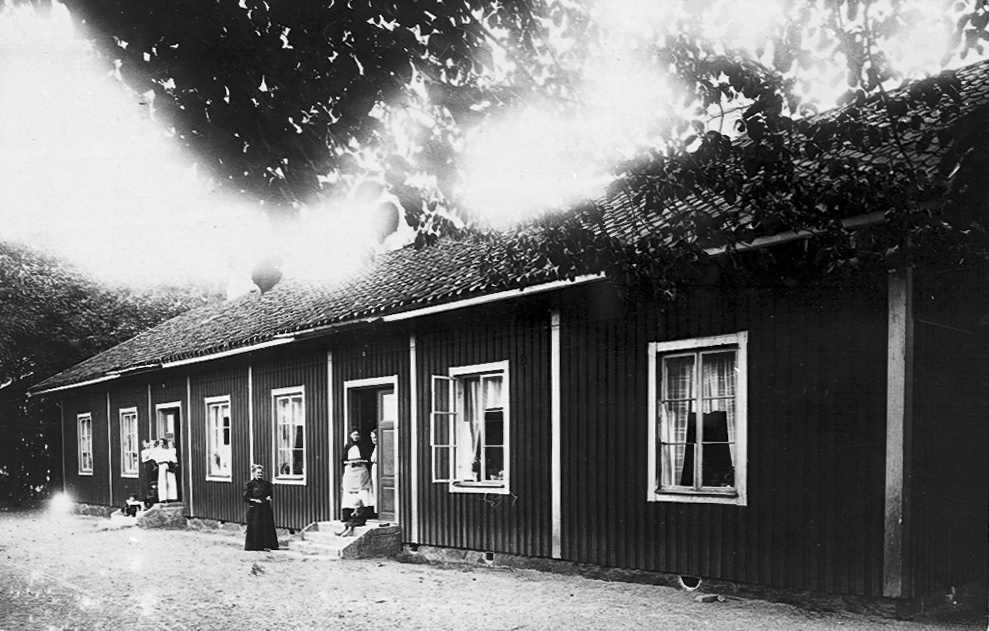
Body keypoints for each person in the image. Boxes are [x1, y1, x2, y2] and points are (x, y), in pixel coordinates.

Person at [243, 464, 279, 551]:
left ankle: (268, 544)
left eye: (261, 473)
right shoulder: (249, 485)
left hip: (265, 507)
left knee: (267, 526)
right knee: (256, 526)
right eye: (258, 473)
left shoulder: (266, 484)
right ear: (253, 473)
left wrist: (269, 497)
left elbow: (270, 494)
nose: (260, 474)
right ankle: (256, 546)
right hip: (255, 508)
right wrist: (255, 500)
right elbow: (246, 498)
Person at [340, 428, 372, 521]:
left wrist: (361, 461)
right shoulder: (348, 446)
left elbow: (367, 459)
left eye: (357, 435)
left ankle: (362, 513)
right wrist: (349, 463)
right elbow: (343, 460)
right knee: (349, 492)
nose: (356, 437)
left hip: (361, 471)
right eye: (354, 435)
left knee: (362, 491)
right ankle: (347, 514)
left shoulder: (363, 446)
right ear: (350, 435)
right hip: (350, 472)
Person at [140, 440, 158, 508]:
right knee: (148, 480)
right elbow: (145, 458)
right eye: (145, 444)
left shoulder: (153, 450)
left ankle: (154, 496)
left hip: (154, 465)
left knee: (154, 480)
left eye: (148, 444)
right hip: (148, 465)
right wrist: (150, 452)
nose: (147, 445)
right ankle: (148, 498)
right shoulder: (144, 451)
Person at [368, 428, 378, 518]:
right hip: (374, 467)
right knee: (374, 487)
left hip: (379, 468)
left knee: (378, 487)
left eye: (375, 437)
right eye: (372, 438)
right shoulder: (376, 447)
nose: (373, 440)